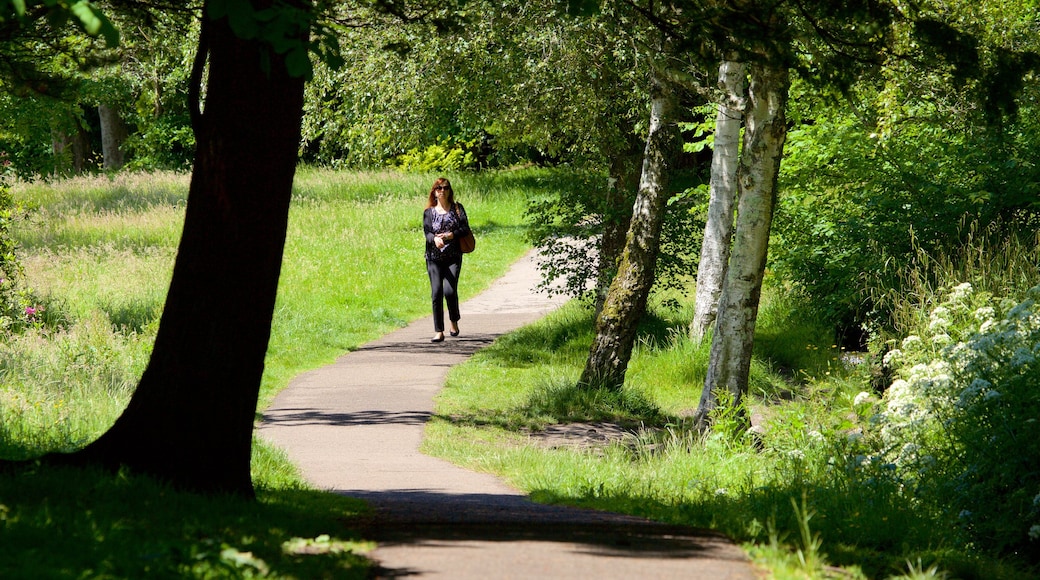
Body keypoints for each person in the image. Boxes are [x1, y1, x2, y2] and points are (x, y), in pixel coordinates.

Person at [423, 177, 471, 343]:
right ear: (434, 192)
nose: (442, 191)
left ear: (449, 191)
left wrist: (452, 235)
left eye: (445, 188)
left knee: (449, 291)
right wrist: (434, 239)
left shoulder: (457, 209)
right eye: (439, 188)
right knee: (436, 292)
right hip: (433, 258)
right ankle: (439, 331)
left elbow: (465, 228)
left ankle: (454, 321)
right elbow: (427, 232)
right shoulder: (428, 212)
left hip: (453, 257)